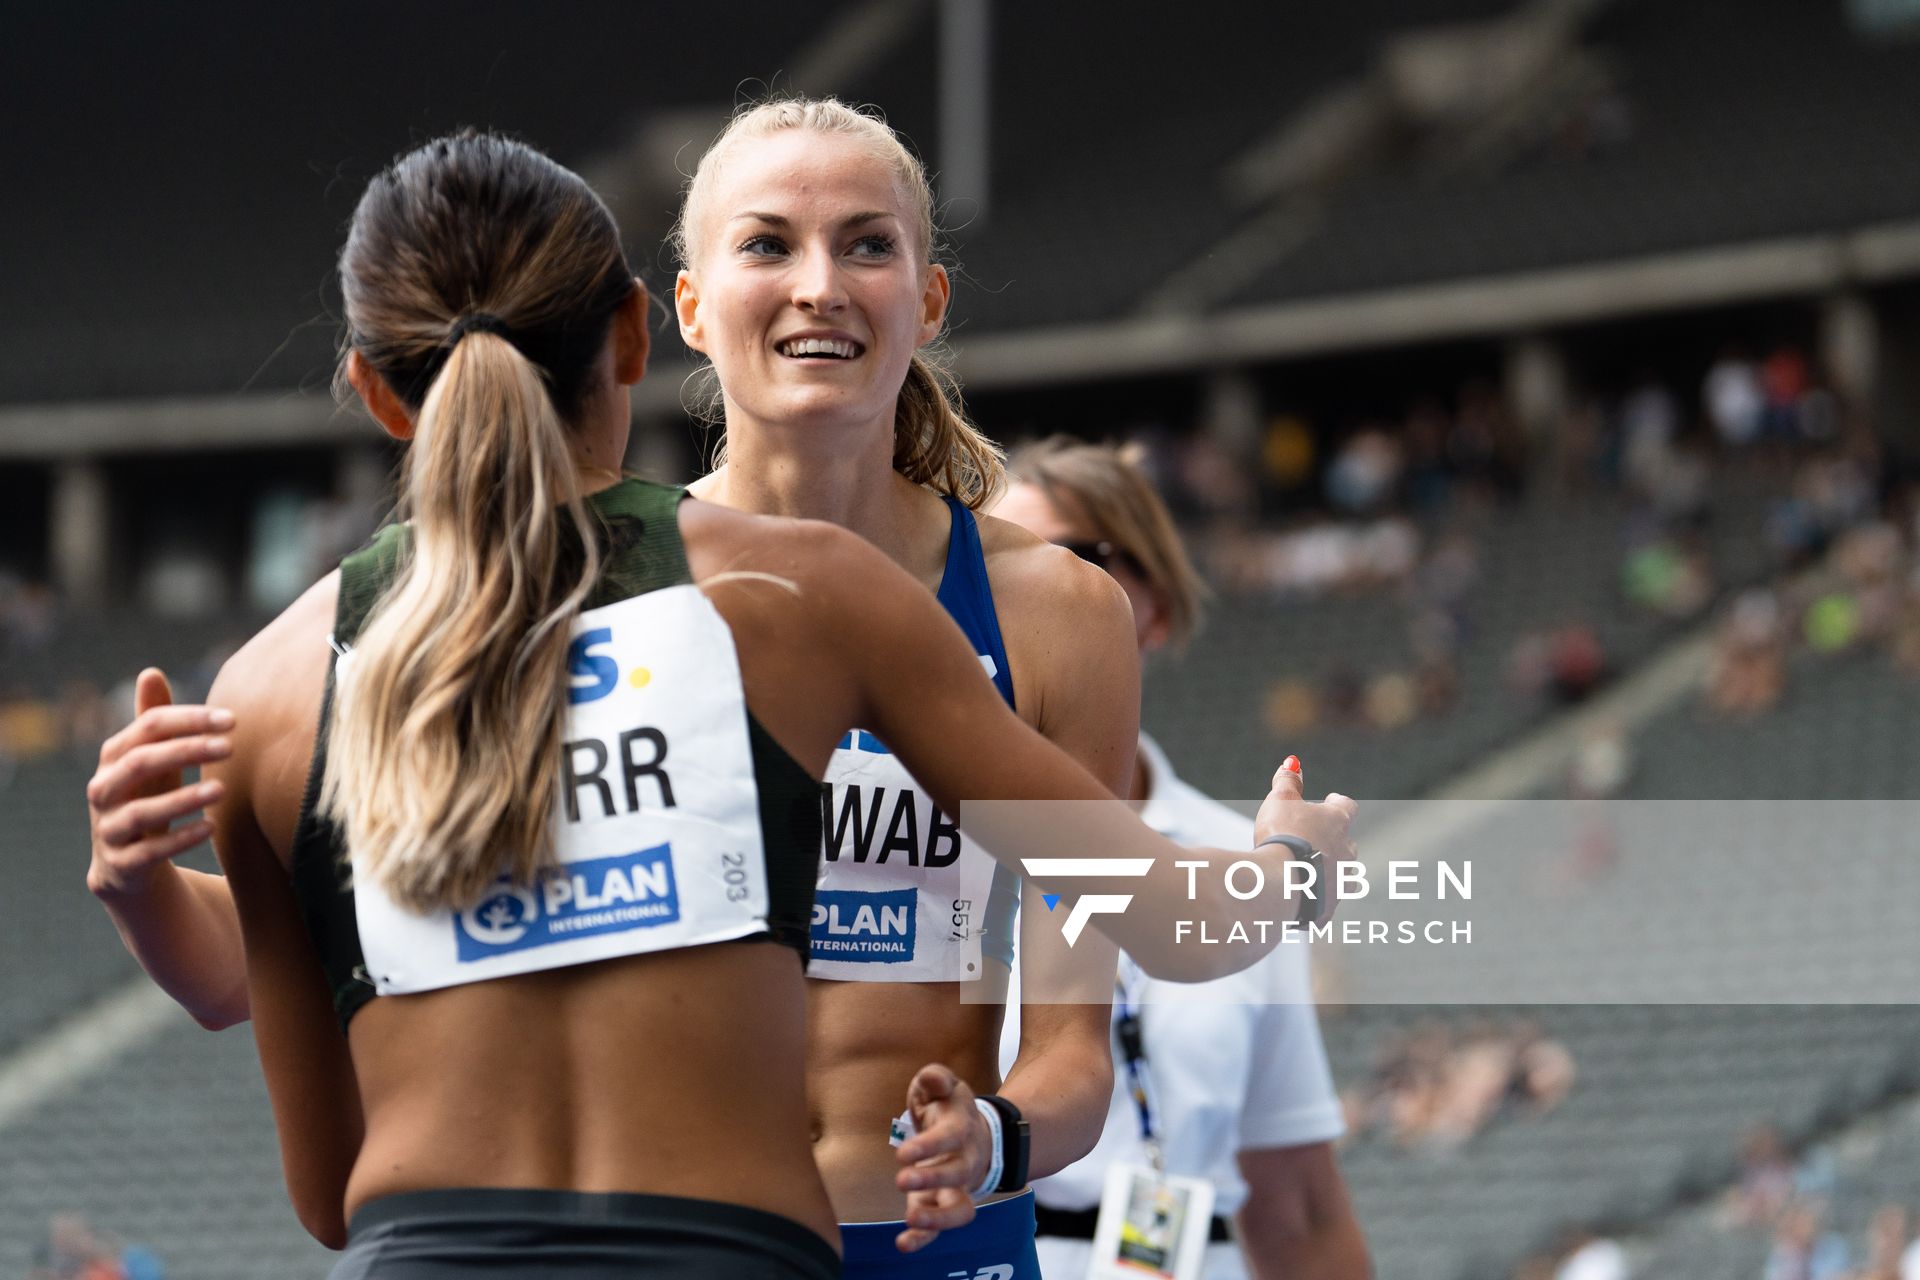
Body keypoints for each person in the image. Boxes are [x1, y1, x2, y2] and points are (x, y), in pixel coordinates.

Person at [83, 131, 1359, 1274]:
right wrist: (1290, 873)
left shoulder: (279, 678)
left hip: (752, 1235)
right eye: (769, 243)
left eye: (866, 244)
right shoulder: (796, 598)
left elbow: (327, 1183)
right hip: (732, 1235)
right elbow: (1182, 917)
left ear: (372, 388)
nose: (818, 283)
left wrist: (1005, 1135)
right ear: (655, 324)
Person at [993, 437, 1370, 1280]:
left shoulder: (1254, 856)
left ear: (1155, 609)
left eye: (1069, 558)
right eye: (991, 564)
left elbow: (1296, 1203)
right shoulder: (923, 835)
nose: (1028, 591)